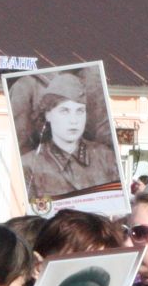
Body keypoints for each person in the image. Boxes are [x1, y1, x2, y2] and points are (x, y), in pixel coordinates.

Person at [20, 72, 116, 200]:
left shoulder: (106, 157)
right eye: (64, 111)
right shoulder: (29, 165)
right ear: (48, 114)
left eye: (80, 111)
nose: (74, 120)